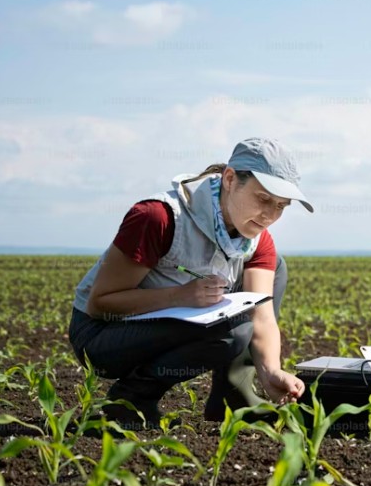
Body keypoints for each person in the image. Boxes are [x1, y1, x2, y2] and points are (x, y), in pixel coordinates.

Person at [68, 137, 310, 425]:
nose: (270, 216)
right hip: (103, 336)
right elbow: (100, 304)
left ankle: (233, 399)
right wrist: (179, 296)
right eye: (263, 199)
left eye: (281, 206)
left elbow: (262, 317)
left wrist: (271, 371)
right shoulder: (158, 217)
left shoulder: (257, 240)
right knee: (232, 332)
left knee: (275, 269)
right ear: (230, 179)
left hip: (167, 323)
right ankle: (130, 402)